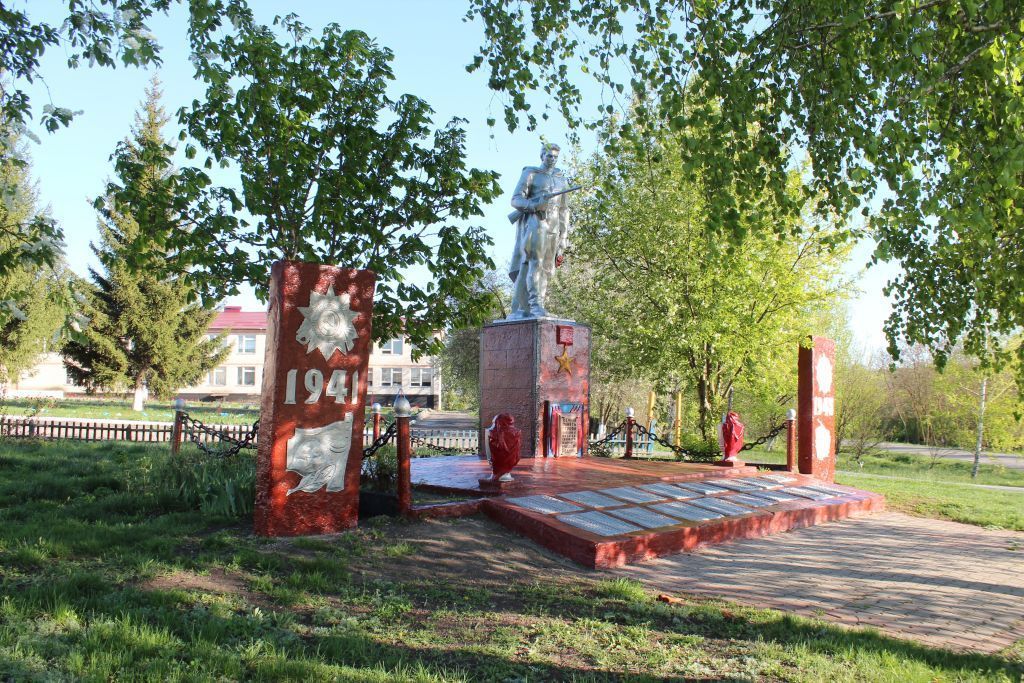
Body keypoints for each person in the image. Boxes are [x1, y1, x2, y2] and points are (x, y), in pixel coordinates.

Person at [506, 143, 572, 319]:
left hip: (554, 226)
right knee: (535, 263)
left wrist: (564, 235)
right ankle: (535, 305)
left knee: (547, 268)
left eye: (555, 157)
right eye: (549, 156)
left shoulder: (561, 179)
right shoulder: (531, 173)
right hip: (536, 222)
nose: (552, 159)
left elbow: (564, 209)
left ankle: (539, 303)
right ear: (542, 156)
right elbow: (516, 199)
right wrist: (534, 205)